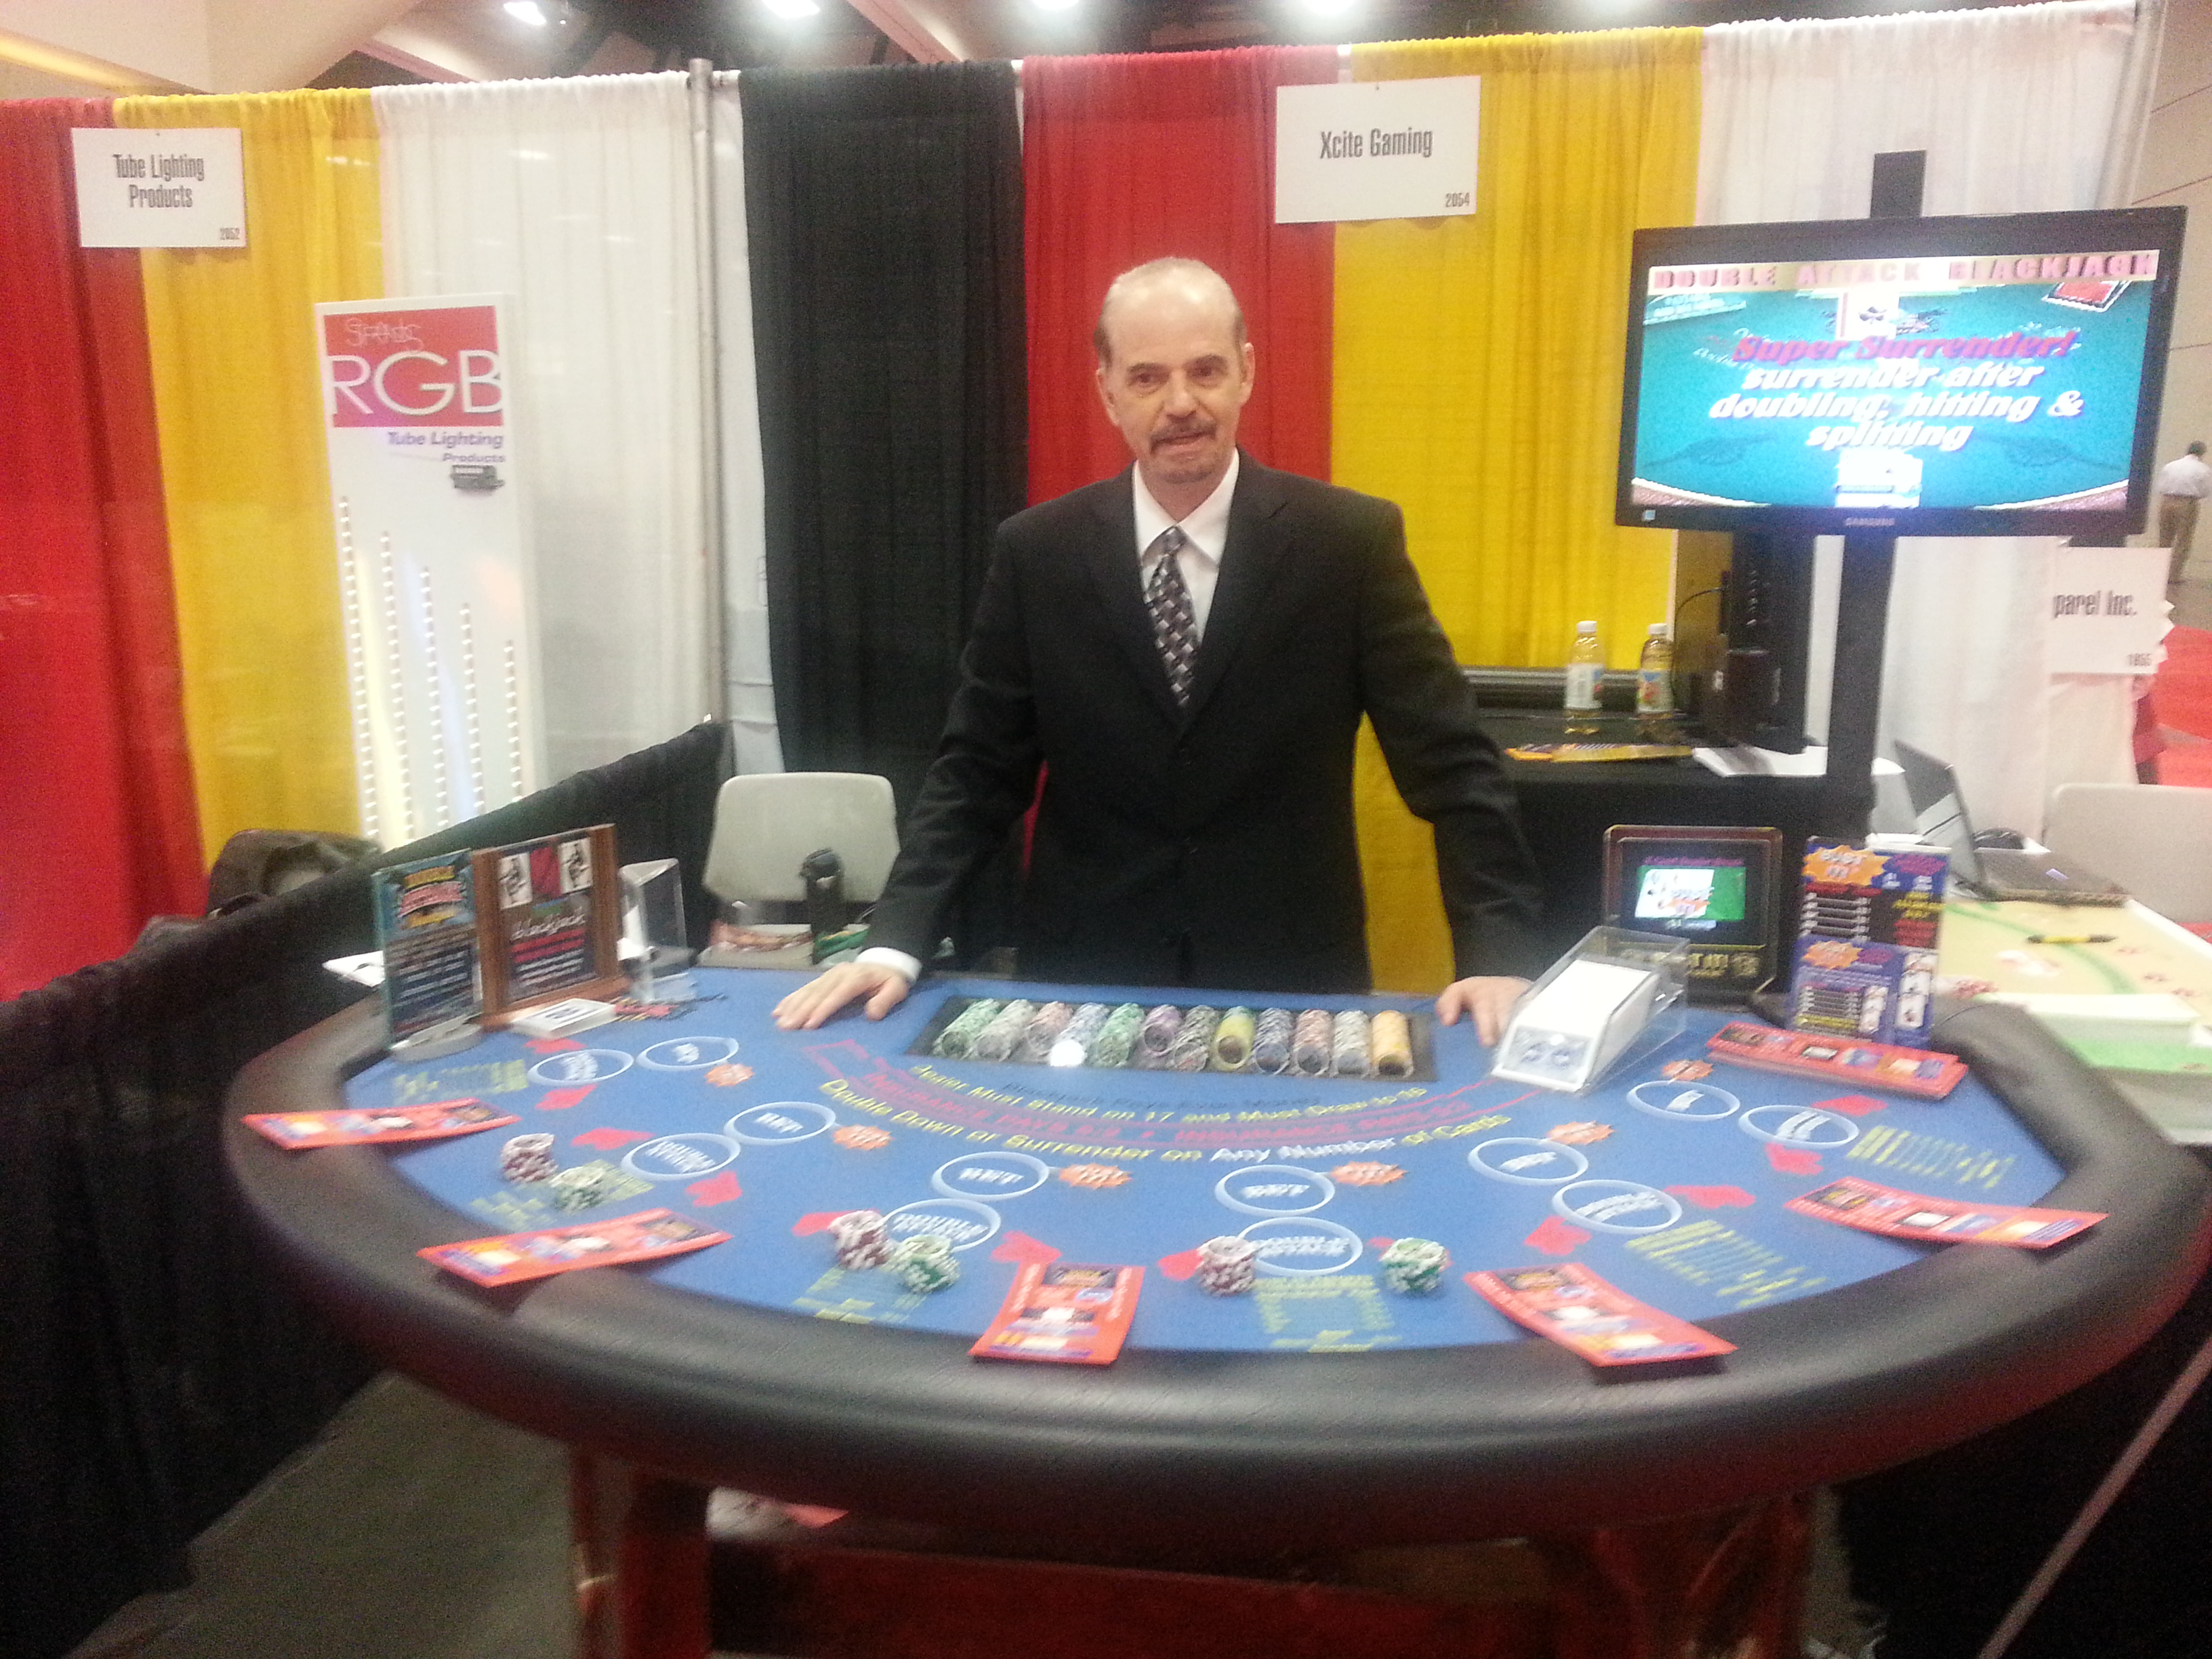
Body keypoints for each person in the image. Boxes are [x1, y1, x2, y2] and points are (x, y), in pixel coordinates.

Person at [776, 258, 1543, 1043]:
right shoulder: (1038, 553)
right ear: (1108, 391)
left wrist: (1500, 953)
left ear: (1246, 372)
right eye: (1147, 378)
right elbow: (975, 774)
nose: (1181, 404)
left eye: (1205, 370)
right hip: (1082, 988)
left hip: (1288, 992)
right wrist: (896, 942)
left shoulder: (1348, 544)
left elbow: (1454, 766)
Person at [2155, 440, 2211, 591]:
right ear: (2201, 453)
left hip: (2166, 501)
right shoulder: (2203, 469)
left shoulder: (2171, 466)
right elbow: (2205, 491)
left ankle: (2159, 572)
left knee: (2164, 538)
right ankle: (2173, 576)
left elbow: (2161, 486)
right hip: (2187, 503)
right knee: (2183, 540)